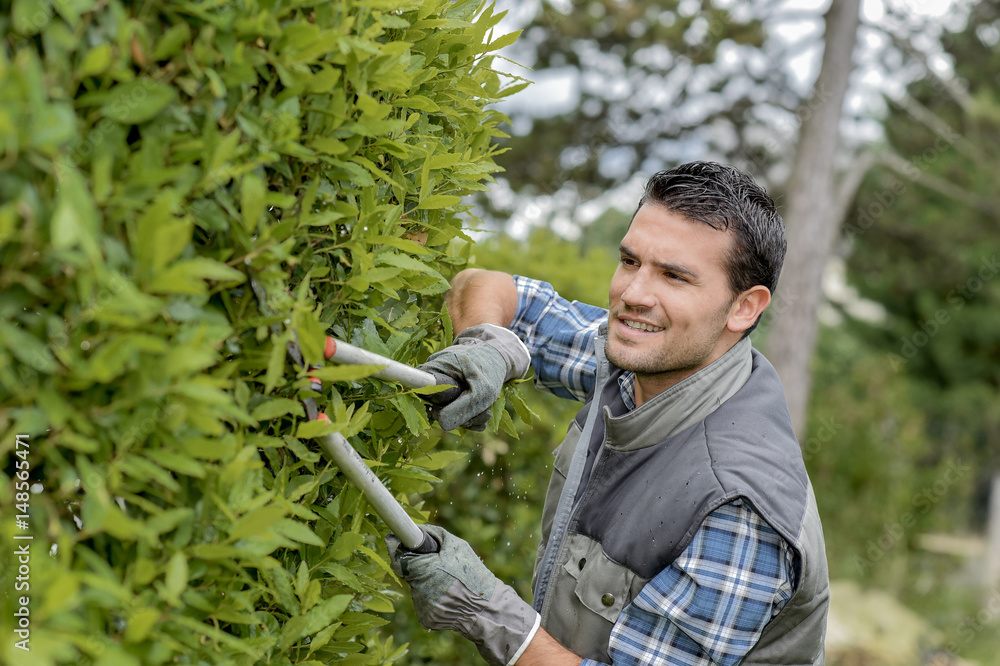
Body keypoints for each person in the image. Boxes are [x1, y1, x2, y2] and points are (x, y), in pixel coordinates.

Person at [385, 161, 830, 666]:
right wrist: (488, 344)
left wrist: (485, 610)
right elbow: (484, 284)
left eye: (674, 276)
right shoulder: (637, 362)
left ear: (744, 307)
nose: (633, 295)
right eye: (630, 261)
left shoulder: (739, 509)